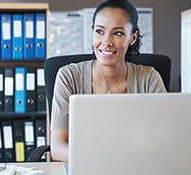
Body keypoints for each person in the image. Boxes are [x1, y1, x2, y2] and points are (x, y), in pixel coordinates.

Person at [50, 0, 167, 162]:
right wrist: (99, 160)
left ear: (132, 38)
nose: (106, 42)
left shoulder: (148, 79)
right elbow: (57, 147)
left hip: (135, 166)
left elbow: (164, 140)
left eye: (118, 33)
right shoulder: (69, 76)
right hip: (85, 167)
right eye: (99, 31)